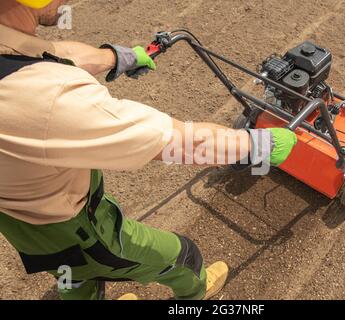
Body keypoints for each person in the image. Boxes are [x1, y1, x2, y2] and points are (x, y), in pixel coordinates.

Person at [0, 0, 297, 300]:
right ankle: (195, 295)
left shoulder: (11, 53)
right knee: (184, 257)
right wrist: (258, 144)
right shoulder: (50, 98)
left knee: (69, 274)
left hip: (23, 229)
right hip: (82, 231)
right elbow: (179, 142)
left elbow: (49, 53)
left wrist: (117, 57)